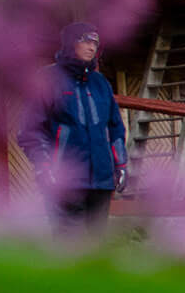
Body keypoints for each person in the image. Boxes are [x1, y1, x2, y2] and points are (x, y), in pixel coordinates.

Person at [17, 21, 127, 233]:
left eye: (95, 42)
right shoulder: (48, 79)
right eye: (85, 40)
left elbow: (115, 128)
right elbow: (31, 131)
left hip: (102, 182)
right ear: (69, 44)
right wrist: (44, 166)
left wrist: (120, 165)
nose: (92, 47)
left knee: (95, 247)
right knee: (69, 249)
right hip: (65, 180)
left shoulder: (101, 83)